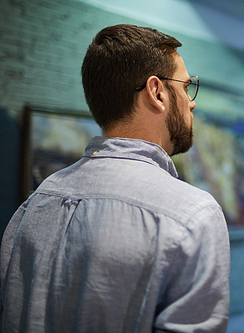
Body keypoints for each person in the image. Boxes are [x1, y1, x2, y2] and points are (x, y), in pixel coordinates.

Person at [0, 24, 230, 332]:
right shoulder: (193, 215)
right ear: (157, 92)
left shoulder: (33, 206)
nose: (192, 101)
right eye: (186, 87)